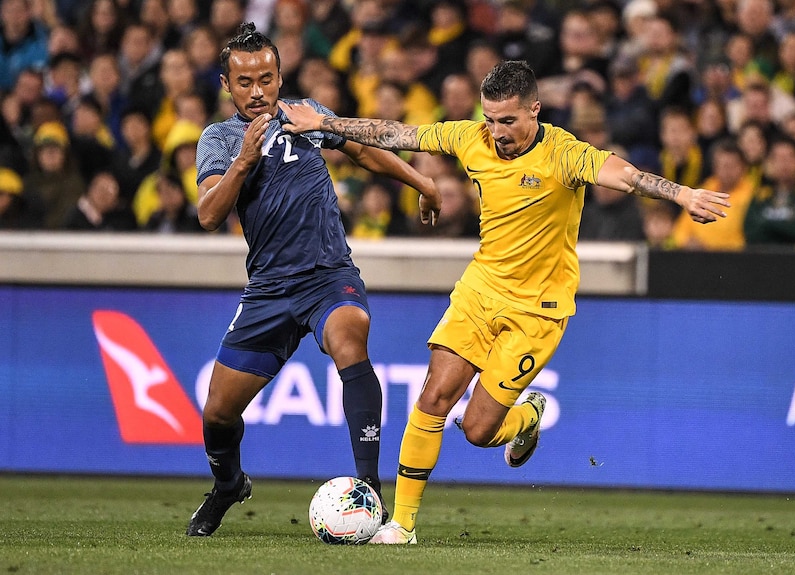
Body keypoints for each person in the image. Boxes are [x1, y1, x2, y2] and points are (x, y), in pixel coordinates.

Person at [282, 59, 730, 544]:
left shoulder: (564, 154)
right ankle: (403, 525)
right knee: (433, 397)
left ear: (535, 110)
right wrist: (322, 123)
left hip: (538, 312)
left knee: (477, 430)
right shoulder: (470, 137)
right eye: (490, 118)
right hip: (480, 291)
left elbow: (622, 174)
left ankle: (526, 416)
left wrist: (681, 193)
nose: (497, 132)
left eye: (508, 120)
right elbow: (397, 134)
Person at [186, 22, 440, 537]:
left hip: (328, 274)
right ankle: (229, 485)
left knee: (351, 337)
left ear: (280, 76)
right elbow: (210, 215)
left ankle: (369, 493)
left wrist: (423, 181)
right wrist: (244, 162)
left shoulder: (309, 117)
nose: (257, 91)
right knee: (217, 414)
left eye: (267, 78)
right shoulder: (219, 139)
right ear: (225, 84)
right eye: (244, 82)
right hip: (269, 291)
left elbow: (365, 151)